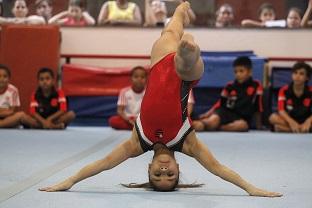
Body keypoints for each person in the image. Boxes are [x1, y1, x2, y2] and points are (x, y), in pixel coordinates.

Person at [39, 2, 281, 197]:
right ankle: (190, 49)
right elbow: (218, 169)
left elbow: (104, 163)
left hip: (158, 65)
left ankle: (181, 10)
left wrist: (69, 180)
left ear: (149, 168)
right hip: (184, 76)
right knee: (186, 58)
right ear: (178, 169)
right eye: (169, 176)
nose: (163, 171)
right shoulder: (187, 143)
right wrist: (251, 189)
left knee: (171, 30)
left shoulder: (137, 142)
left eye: (157, 175)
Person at [192, 56, 263, 132]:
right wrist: (208, 114)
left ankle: (219, 127)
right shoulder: (229, 86)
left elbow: (258, 106)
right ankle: (196, 125)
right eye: (235, 72)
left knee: (242, 126)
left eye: (241, 71)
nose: (238, 74)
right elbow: (220, 103)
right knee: (212, 121)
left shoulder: (256, 85)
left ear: (249, 72)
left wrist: (259, 126)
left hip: (241, 118)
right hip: (224, 113)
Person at [269, 62, 312, 133]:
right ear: (292, 75)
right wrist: (292, 122)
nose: (297, 76)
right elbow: (281, 110)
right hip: (290, 119)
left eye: (301, 74)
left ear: (307, 77)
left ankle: (288, 129)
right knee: (272, 117)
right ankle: (302, 129)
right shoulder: (284, 90)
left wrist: (308, 121)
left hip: (305, 120)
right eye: (295, 73)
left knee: (277, 127)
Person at [108, 66, 147, 130]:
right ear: (131, 78)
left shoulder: (148, 92)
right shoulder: (124, 91)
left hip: (142, 119)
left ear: (146, 79)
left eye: (142, 77)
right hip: (128, 119)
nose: (139, 79)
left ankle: (137, 127)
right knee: (113, 120)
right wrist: (128, 120)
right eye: (136, 77)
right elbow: (120, 110)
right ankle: (138, 128)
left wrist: (140, 119)